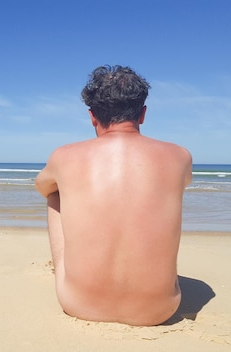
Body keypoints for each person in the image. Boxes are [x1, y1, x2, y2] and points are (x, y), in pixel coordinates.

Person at [35, 65, 192, 326]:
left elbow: (42, 187)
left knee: (55, 193)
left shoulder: (63, 156)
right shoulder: (180, 156)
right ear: (142, 114)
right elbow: (183, 183)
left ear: (92, 116)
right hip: (160, 310)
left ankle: (74, 277)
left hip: (77, 303)